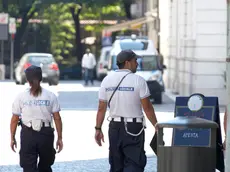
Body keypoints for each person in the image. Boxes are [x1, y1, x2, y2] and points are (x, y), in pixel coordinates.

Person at [94, 50, 158, 172]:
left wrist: (98, 128)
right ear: (127, 62)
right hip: (134, 128)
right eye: (135, 61)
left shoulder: (107, 80)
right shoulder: (138, 80)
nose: (137, 64)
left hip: (114, 128)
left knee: (116, 165)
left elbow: (101, 108)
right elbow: (147, 108)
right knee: (134, 163)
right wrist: (156, 125)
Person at [10, 65, 63, 172]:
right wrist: (60, 138)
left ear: (28, 81)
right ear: (41, 79)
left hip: (28, 135)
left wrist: (12, 138)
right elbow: (57, 118)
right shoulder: (51, 96)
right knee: (45, 166)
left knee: (28, 167)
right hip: (46, 135)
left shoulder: (21, 97)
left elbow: (15, 119)